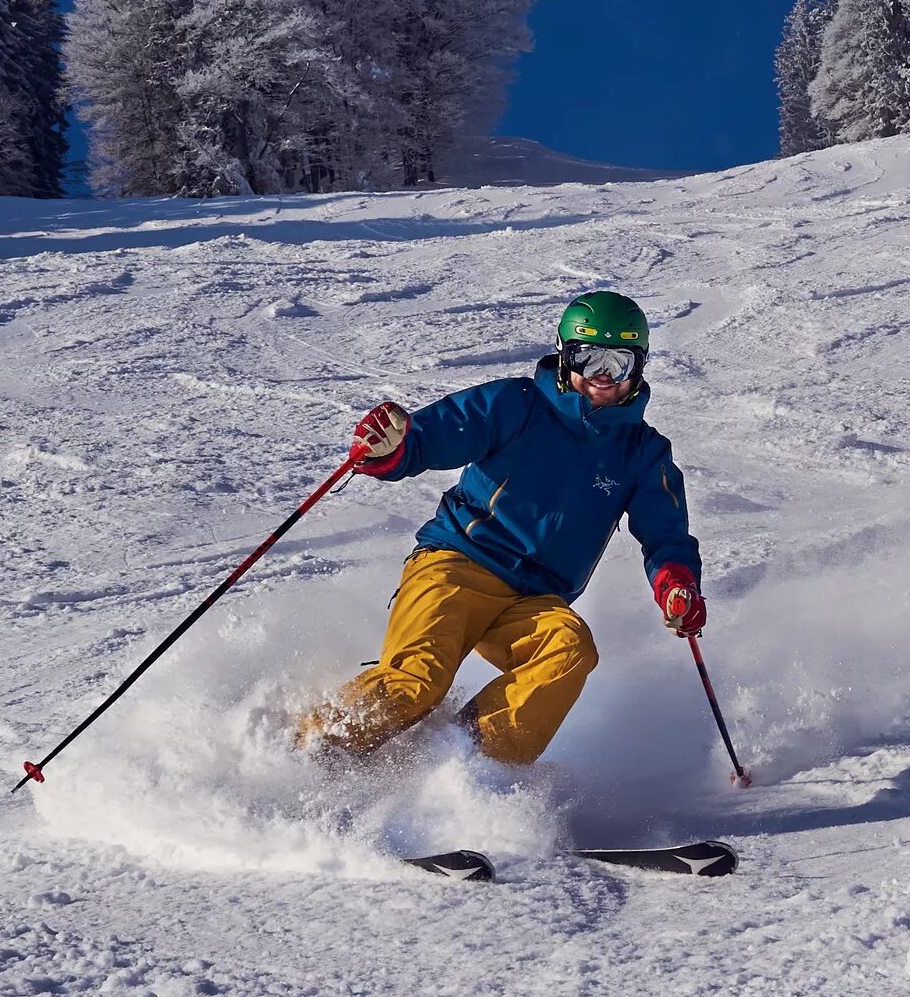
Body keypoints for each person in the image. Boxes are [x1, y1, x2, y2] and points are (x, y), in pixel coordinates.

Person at [295, 291, 704, 767]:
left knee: (569, 648)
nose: (600, 376)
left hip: (534, 598)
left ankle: (466, 763)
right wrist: (393, 448)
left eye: (618, 362)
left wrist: (676, 583)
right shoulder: (517, 405)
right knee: (417, 681)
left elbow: (666, 533)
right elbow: (434, 437)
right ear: (564, 352)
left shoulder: (642, 452)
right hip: (457, 564)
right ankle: (311, 747)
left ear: (640, 366)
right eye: (588, 357)